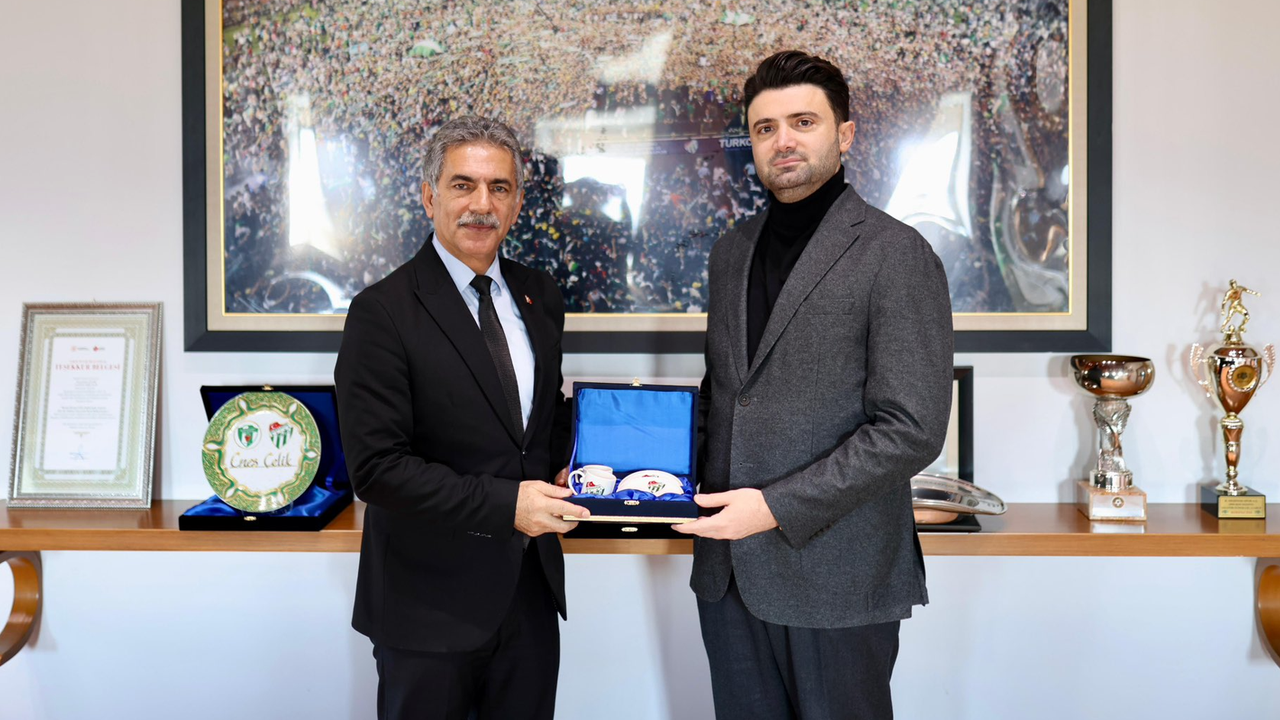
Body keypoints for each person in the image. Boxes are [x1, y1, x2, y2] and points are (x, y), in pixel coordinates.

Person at [675, 51, 955, 719]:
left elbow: (911, 430)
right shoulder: (730, 252)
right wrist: (629, 481)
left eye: (803, 122)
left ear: (844, 134)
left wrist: (772, 507)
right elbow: (726, 396)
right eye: (765, 128)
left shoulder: (897, 253)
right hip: (727, 575)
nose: (783, 141)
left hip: (838, 576)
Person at [334, 116, 586, 720]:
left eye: (499, 187)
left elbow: (538, 426)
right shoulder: (381, 311)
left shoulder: (541, 295)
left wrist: (577, 467)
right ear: (430, 197)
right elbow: (377, 469)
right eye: (463, 185)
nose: (482, 204)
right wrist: (509, 505)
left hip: (528, 596)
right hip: (426, 607)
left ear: (518, 203)